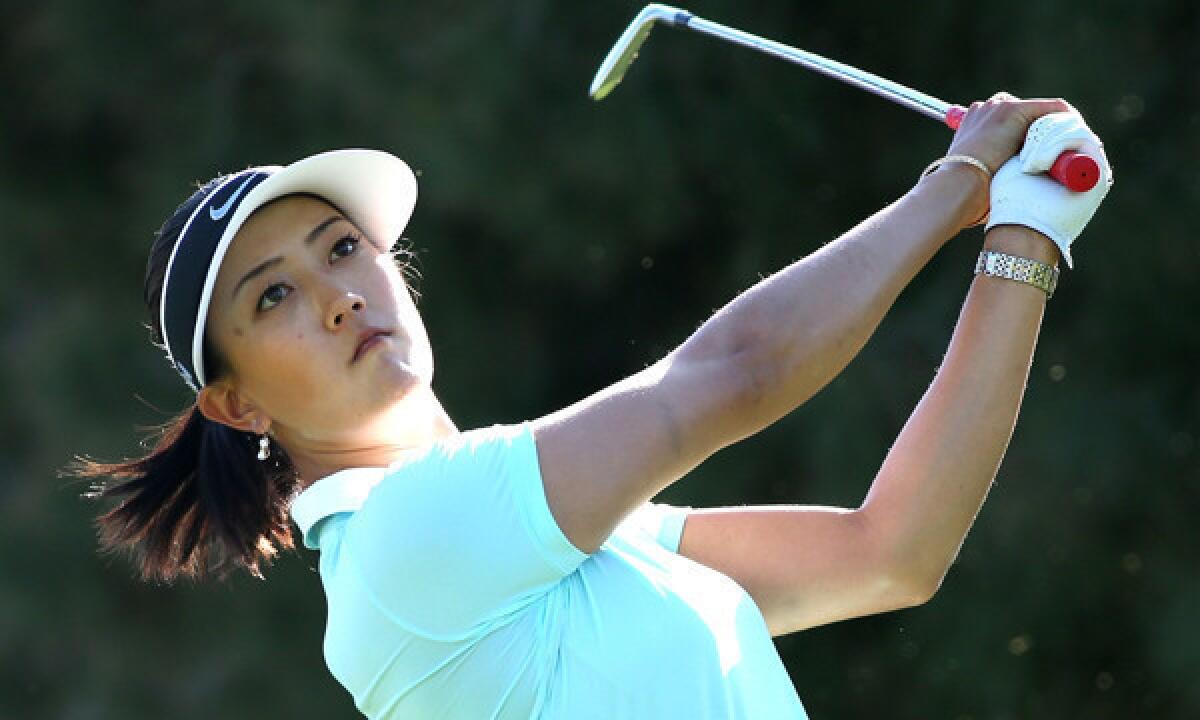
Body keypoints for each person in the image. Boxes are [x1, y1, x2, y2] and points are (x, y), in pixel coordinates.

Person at [76, 94, 1111, 718]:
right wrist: (960, 177)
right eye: (275, 296)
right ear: (240, 402)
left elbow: (890, 554)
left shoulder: (552, 537)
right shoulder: (407, 538)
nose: (340, 295)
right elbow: (733, 372)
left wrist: (1022, 241)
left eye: (343, 249)